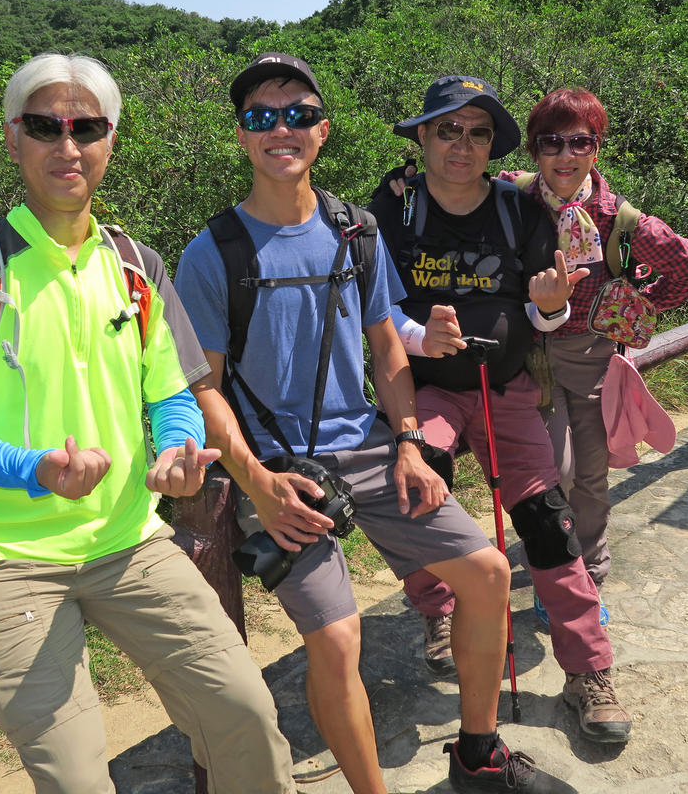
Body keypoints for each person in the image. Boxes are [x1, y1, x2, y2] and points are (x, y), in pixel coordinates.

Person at [0, 53, 295, 794]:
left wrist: (177, 448)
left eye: (86, 128)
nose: (67, 145)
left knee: (245, 713)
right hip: (1, 555)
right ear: (13, 138)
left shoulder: (136, 267)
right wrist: (36, 469)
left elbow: (172, 394)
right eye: (44, 127)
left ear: (111, 140)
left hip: (127, 542)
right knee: (78, 778)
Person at [175, 54, 564, 794]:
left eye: (298, 115)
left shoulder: (354, 230)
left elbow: (387, 350)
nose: (281, 129)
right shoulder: (213, 252)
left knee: (487, 575)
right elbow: (204, 389)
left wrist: (410, 442)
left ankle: (479, 755)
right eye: (261, 117)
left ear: (322, 131)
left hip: (369, 446)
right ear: (242, 135)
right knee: (337, 636)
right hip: (280, 470)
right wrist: (257, 485)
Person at [368, 75, 631, 745]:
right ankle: (438, 608)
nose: (461, 144)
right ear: (422, 137)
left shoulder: (519, 210)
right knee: (415, 483)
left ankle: (588, 672)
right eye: (447, 130)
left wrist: (551, 309)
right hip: (426, 389)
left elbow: (546, 317)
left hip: (506, 387)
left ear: (493, 145)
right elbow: (372, 310)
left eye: (477, 133)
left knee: (547, 523)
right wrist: (420, 338)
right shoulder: (393, 208)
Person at [518, 88, 688, 590]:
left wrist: (632, 306)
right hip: (525, 357)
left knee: (589, 476)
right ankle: (550, 558)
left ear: (596, 149)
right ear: (534, 150)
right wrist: (404, 187)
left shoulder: (619, 220)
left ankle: (589, 570)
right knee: (550, 472)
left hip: (591, 358)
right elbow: (453, 191)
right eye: (551, 142)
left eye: (580, 142)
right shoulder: (510, 198)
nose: (565, 155)